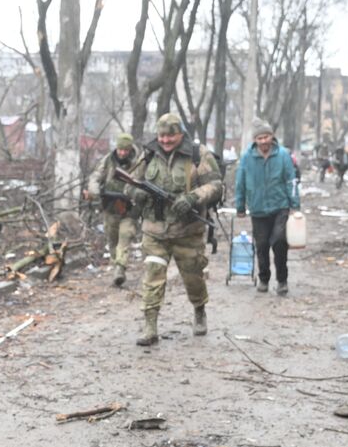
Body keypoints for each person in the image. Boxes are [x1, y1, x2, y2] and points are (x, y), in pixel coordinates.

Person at [129, 112, 223, 345]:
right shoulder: (148, 154)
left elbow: (216, 185)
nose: (166, 141)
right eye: (161, 136)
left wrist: (193, 197)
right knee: (153, 276)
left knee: (193, 278)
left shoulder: (196, 154)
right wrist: (136, 194)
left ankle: (199, 309)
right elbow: (129, 183)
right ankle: (150, 326)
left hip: (187, 231)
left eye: (171, 136)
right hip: (154, 231)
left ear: (181, 133)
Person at [234, 118, 301, 296]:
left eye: (266, 137)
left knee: (279, 242)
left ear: (272, 136)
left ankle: (282, 280)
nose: (263, 141)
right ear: (255, 140)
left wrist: (295, 204)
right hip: (257, 209)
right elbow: (240, 182)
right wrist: (240, 206)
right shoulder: (247, 158)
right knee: (262, 245)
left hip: (280, 207)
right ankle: (264, 278)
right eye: (260, 138)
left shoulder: (283, 156)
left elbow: (291, 180)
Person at [85, 132, 147, 287]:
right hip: (111, 208)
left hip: (130, 209)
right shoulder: (108, 161)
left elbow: (145, 182)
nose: (122, 153)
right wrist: (95, 191)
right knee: (112, 240)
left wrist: (137, 194)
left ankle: (120, 268)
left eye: (126, 150)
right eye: (120, 149)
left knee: (125, 236)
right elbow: (95, 177)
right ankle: (116, 265)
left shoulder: (139, 163)